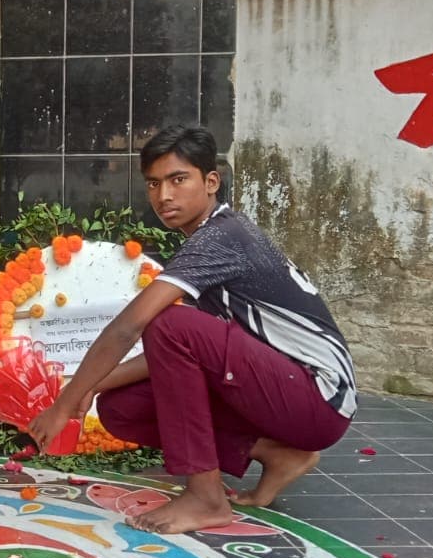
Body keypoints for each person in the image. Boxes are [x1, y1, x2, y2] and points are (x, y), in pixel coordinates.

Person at [29, 126, 356, 534]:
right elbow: (173, 355)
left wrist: (65, 402)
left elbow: (132, 326)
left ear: (211, 181)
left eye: (178, 179)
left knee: (167, 321)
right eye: (154, 183)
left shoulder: (221, 237)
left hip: (317, 397)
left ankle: (206, 499)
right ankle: (277, 455)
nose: (164, 196)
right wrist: (93, 387)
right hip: (284, 393)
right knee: (121, 409)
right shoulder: (208, 239)